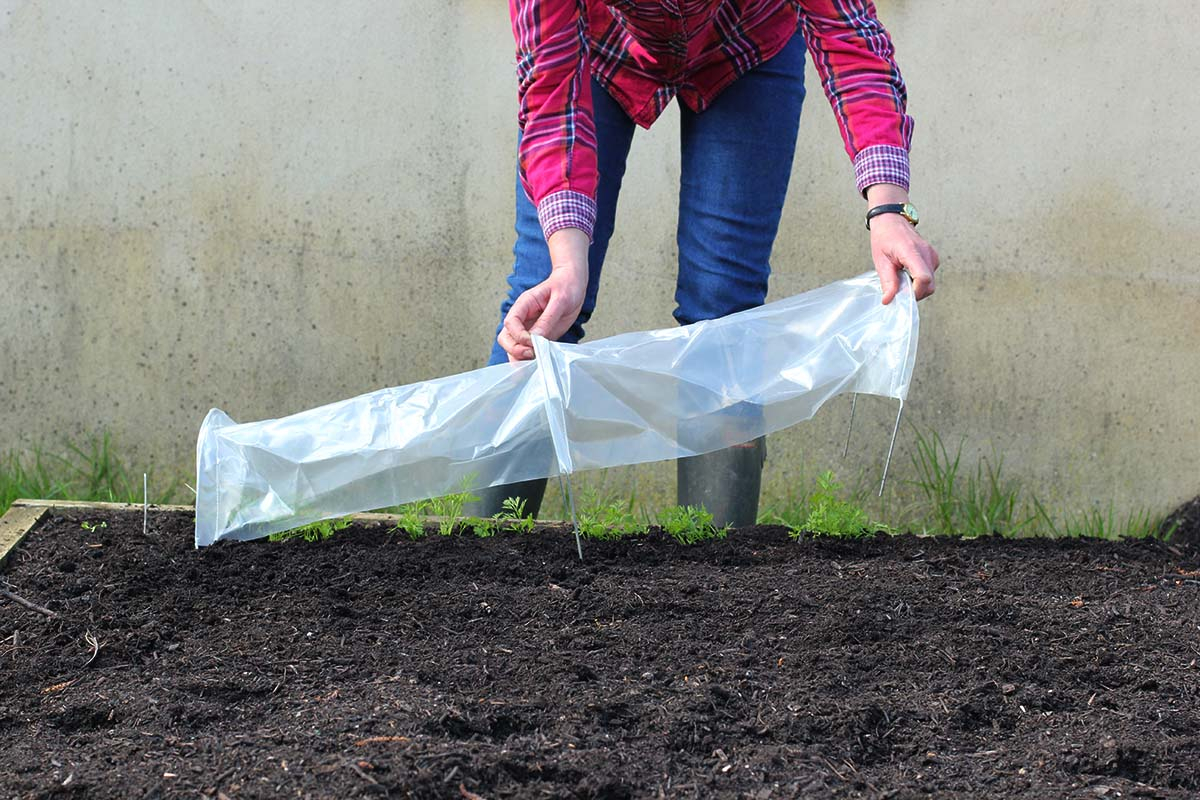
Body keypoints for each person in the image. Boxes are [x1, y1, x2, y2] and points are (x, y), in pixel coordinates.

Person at [467, 0, 940, 526]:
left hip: (746, 42)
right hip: (596, 45)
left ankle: (717, 581)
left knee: (724, 314)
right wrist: (568, 265)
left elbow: (850, 35)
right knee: (543, 307)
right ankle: (484, 557)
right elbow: (550, 91)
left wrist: (888, 208)